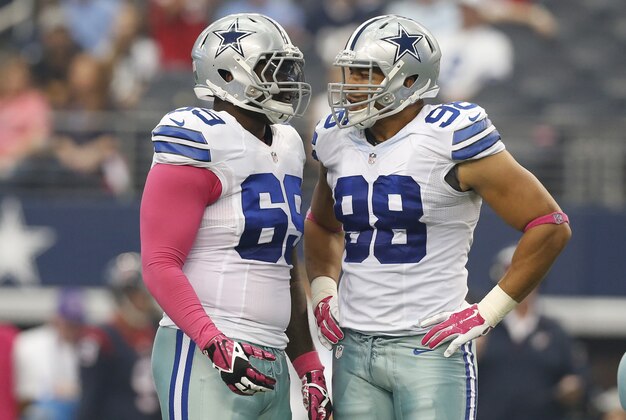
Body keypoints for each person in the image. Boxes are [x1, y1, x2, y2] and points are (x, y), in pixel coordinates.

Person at [304, 14, 571, 419]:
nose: (351, 85)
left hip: (430, 345)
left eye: (366, 74)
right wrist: (324, 289)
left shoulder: (451, 135)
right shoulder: (335, 137)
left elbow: (549, 225)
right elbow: (323, 225)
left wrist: (488, 311)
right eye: (350, 72)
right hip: (354, 347)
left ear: (409, 80)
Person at [139, 13, 332, 420]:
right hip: (203, 353)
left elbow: (283, 267)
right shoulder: (199, 136)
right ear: (227, 74)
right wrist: (214, 343)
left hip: (272, 357)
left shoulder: (288, 144)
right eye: (271, 69)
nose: (284, 80)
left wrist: (309, 366)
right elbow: (159, 263)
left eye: (287, 68)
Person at [477, 245, 590, 420]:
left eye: (528, 276)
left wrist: (572, 388)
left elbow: (580, 380)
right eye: (513, 277)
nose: (521, 284)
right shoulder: (482, 330)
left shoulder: (555, 333)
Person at [75, 252, 161, 420]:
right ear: (121, 296)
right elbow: (90, 398)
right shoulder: (100, 339)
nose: (144, 299)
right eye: (137, 293)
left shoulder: (159, 331)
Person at [13, 288, 85, 420]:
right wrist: (53, 392)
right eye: (68, 323)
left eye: (76, 324)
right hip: (39, 410)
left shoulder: (85, 346)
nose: (73, 329)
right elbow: (22, 396)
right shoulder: (28, 343)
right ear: (57, 318)